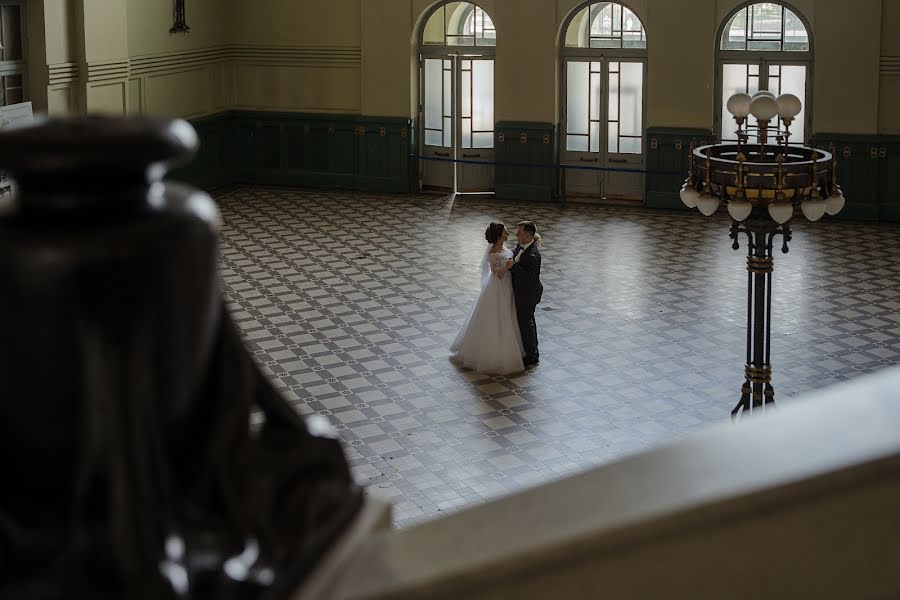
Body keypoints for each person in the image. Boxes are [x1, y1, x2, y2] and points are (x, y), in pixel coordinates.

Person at [449, 223, 525, 375]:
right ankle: (497, 354)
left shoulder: (503, 248)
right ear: (498, 236)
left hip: (506, 287)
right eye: (505, 233)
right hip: (499, 287)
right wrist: (508, 266)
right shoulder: (494, 253)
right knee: (499, 318)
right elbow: (498, 275)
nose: (507, 234)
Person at [507, 220, 543, 366]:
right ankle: (529, 350)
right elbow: (516, 256)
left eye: (519, 232)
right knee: (526, 322)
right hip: (522, 292)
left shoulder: (533, 255)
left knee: (527, 324)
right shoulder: (521, 246)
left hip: (528, 294)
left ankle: (532, 355)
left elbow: (528, 278)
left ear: (528, 235)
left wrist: (513, 267)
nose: (516, 234)